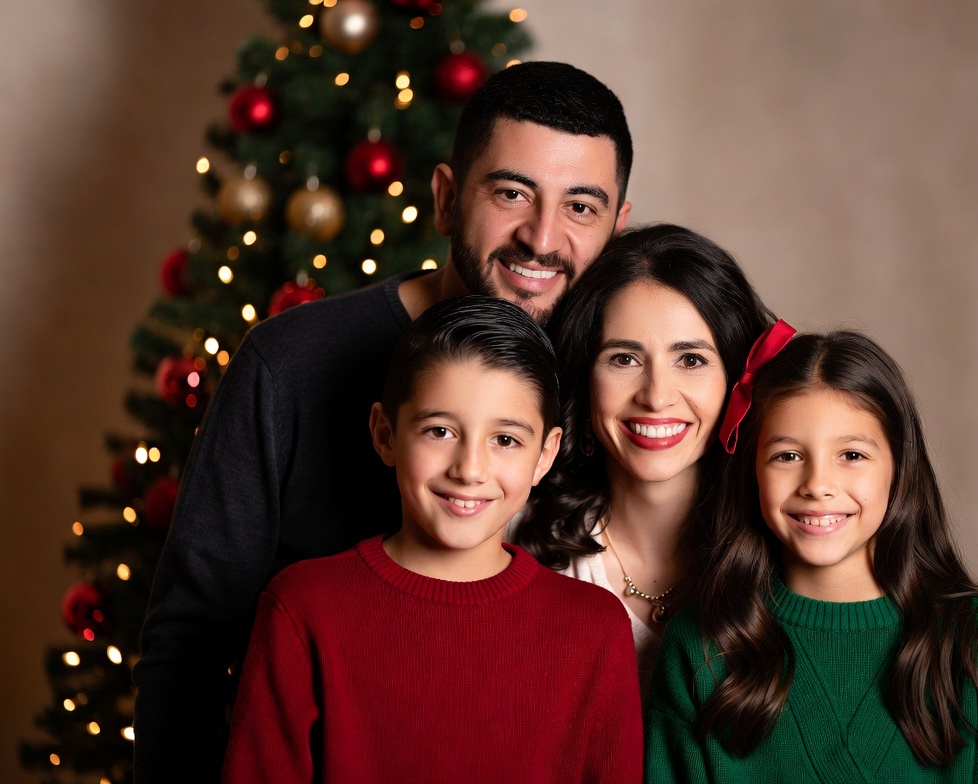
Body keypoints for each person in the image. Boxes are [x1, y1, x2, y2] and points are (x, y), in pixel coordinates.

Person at [133, 61, 633, 782]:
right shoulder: (292, 361)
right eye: (512, 193)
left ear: (617, 227)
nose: (542, 237)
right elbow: (191, 642)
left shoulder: (625, 387)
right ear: (446, 198)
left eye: (581, 207)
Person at [220, 296, 642, 783]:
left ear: (545, 455)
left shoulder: (594, 628)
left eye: (505, 440)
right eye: (439, 431)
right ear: (385, 434)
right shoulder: (303, 608)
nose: (469, 469)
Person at [644, 329, 978, 782]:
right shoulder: (701, 647)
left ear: (899, 469)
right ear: (752, 474)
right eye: (786, 456)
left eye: (852, 455)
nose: (818, 484)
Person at [513, 223, 773, 692]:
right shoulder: (516, 544)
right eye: (624, 359)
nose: (656, 397)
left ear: (737, 381)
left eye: (690, 360)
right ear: (584, 377)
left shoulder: (786, 554)